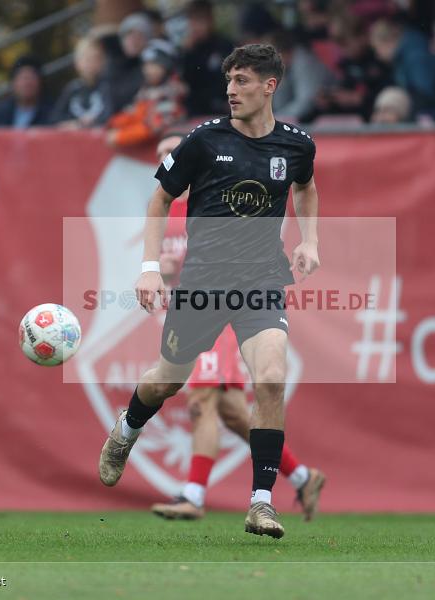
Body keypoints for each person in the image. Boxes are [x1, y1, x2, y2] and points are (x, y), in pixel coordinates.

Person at [98, 44, 320, 540]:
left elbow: (305, 187)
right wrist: (150, 269)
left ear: (269, 86)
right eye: (228, 81)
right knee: (167, 379)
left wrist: (311, 240)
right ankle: (127, 429)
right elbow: (160, 199)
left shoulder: (297, 145)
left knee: (270, 376)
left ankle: (261, 503)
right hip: (202, 284)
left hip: (263, 278)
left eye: (241, 81)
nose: (230, 91)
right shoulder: (204, 139)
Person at [147, 135, 325, 522]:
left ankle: (193, 495)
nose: (165, 160)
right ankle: (300, 475)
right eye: (160, 155)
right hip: (196, 309)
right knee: (230, 411)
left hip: (233, 308)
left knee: (201, 400)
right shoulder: (170, 215)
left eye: (171, 152)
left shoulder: (220, 203)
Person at [105, 39, 185, 147]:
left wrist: (120, 136)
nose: (149, 70)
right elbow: (134, 114)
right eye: (146, 65)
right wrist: (112, 124)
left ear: (168, 67)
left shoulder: (170, 92)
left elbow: (155, 127)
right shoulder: (147, 90)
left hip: (166, 151)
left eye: (155, 65)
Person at [181, 0, 235, 117]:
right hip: (194, 111)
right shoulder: (188, 50)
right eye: (193, 21)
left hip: (220, 109)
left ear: (210, 21)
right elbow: (185, 81)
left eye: (200, 21)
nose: (196, 27)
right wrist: (188, 53)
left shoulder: (224, 46)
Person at [52, 36, 113, 128]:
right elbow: (55, 118)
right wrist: (73, 124)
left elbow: (110, 116)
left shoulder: (107, 87)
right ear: (78, 63)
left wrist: (91, 123)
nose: (90, 64)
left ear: (102, 62)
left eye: (95, 59)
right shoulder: (72, 89)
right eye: (87, 59)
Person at [0, 55, 52, 128]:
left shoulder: (51, 113)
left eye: (31, 78)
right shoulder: (0, 112)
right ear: (13, 83)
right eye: (23, 78)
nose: (27, 83)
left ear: (40, 82)